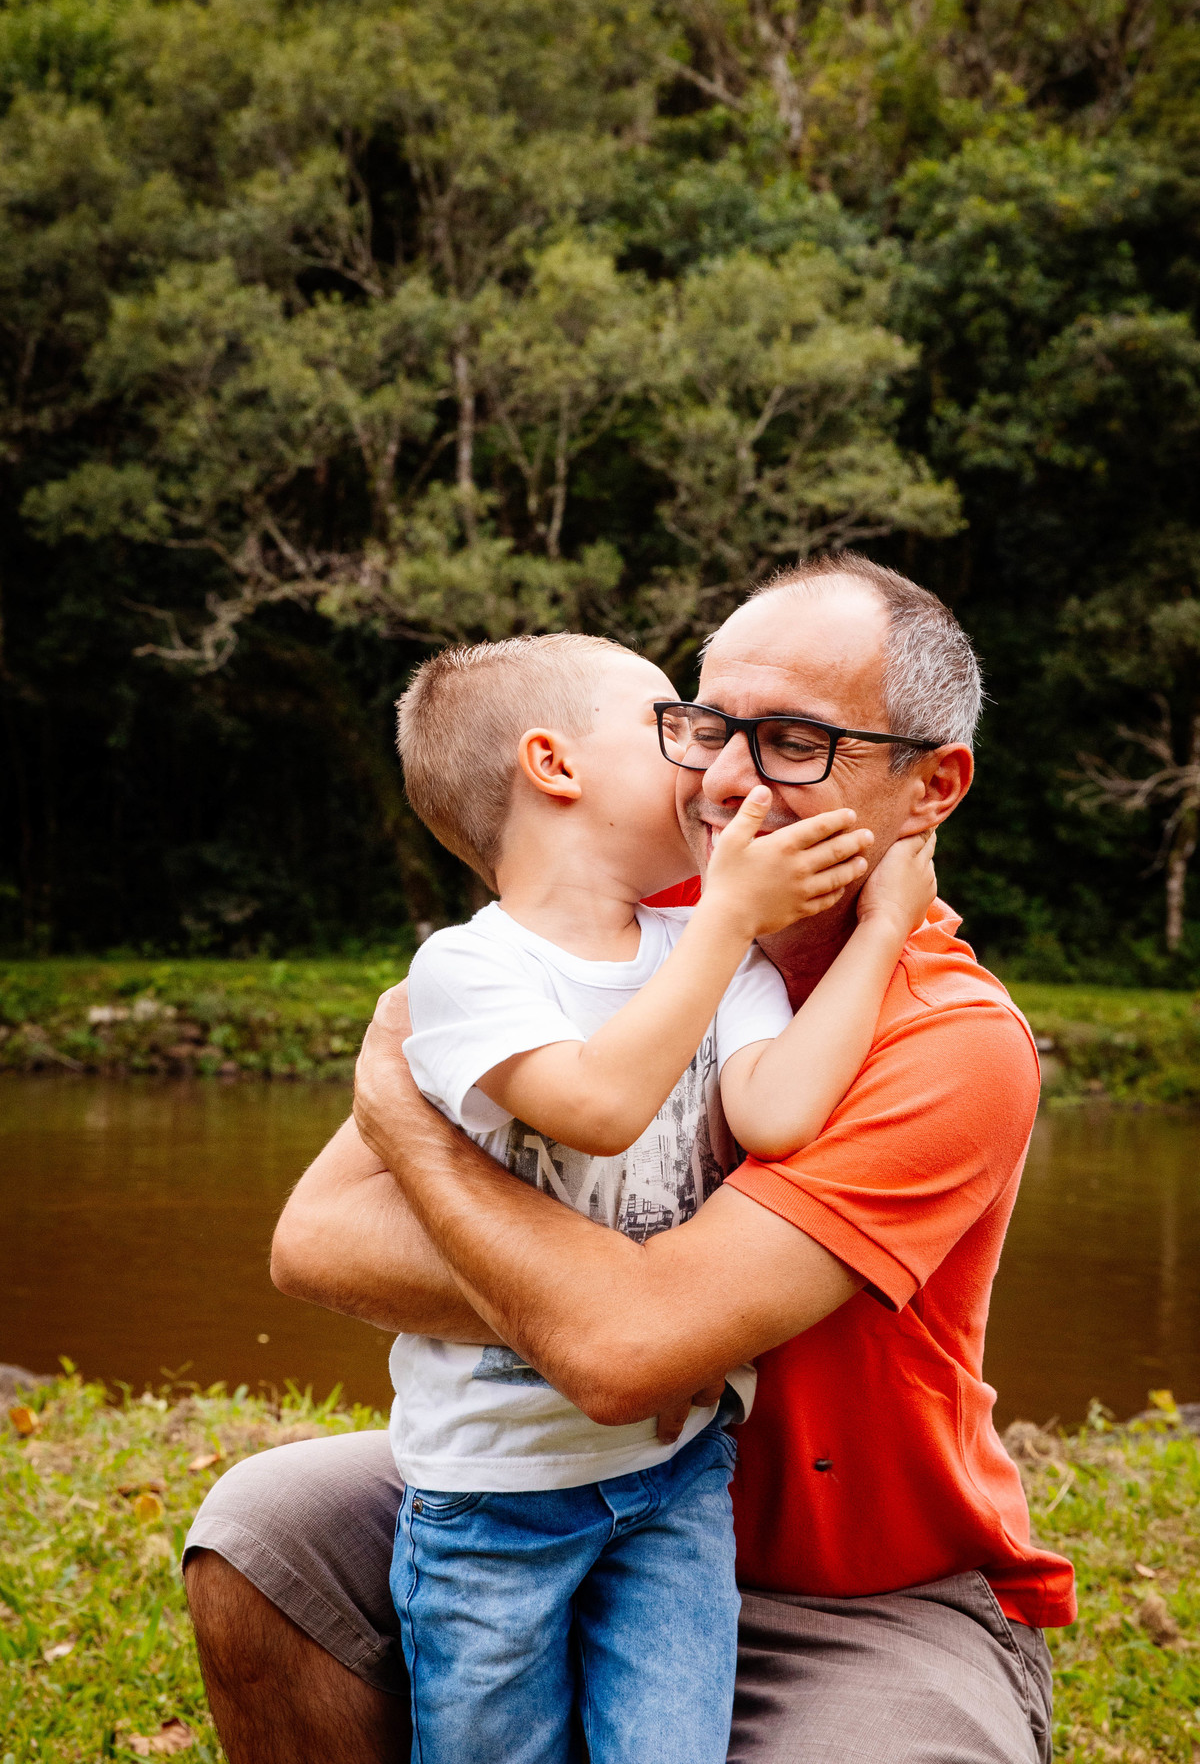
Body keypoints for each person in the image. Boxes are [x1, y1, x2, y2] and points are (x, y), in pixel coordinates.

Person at [184, 552, 1074, 1764]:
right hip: (550, 1483)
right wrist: (616, 1303)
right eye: (709, 727)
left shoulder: (950, 1043)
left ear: (932, 787)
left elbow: (622, 1352)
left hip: (853, 1593)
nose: (721, 778)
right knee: (264, 1530)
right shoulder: (624, 927)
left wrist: (406, 1131)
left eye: (794, 740)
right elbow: (318, 1239)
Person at [383, 631, 936, 1763]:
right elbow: (594, 1107)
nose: (710, 761)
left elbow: (776, 1113)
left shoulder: (713, 953)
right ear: (554, 765)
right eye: (672, 726)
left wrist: (884, 932)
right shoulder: (468, 971)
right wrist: (733, 917)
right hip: (493, 1491)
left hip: (676, 1475)